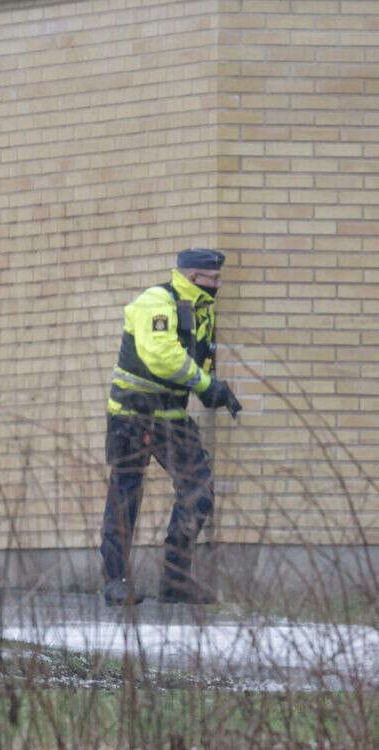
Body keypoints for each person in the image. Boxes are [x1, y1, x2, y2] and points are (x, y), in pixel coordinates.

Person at [99, 248, 242, 607]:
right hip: (133, 414)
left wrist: (214, 390)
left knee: (199, 489)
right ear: (194, 277)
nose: (219, 284)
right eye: (214, 278)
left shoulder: (201, 312)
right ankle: (116, 580)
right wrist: (206, 385)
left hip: (172, 416)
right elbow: (161, 355)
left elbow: (196, 359)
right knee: (125, 495)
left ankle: (175, 580)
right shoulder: (157, 301)